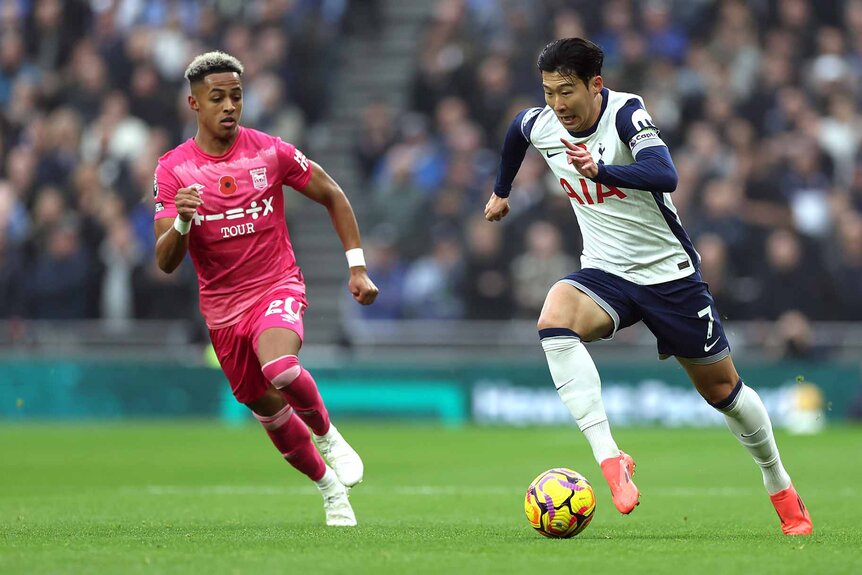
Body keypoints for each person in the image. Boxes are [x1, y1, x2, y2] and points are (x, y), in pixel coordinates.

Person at [484, 38, 812, 535]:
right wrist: (501, 191)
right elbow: (516, 132)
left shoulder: (626, 114)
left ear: (596, 85)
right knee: (554, 316)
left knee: (723, 391)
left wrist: (604, 170)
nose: (557, 103)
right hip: (605, 272)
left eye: (566, 91)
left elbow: (666, 173)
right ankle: (611, 459)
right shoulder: (542, 122)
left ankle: (781, 487)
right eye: (549, 91)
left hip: (669, 278)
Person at [153, 52, 379, 527]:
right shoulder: (174, 171)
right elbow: (166, 260)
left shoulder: (269, 152)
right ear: (194, 103)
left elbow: (332, 194)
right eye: (218, 98)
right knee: (270, 414)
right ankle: (330, 490)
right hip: (222, 313)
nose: (230, 106)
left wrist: (356, 267)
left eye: (236, 95)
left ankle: (330, 436)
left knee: (280, 366)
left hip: (277, 285)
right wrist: (183, 219)